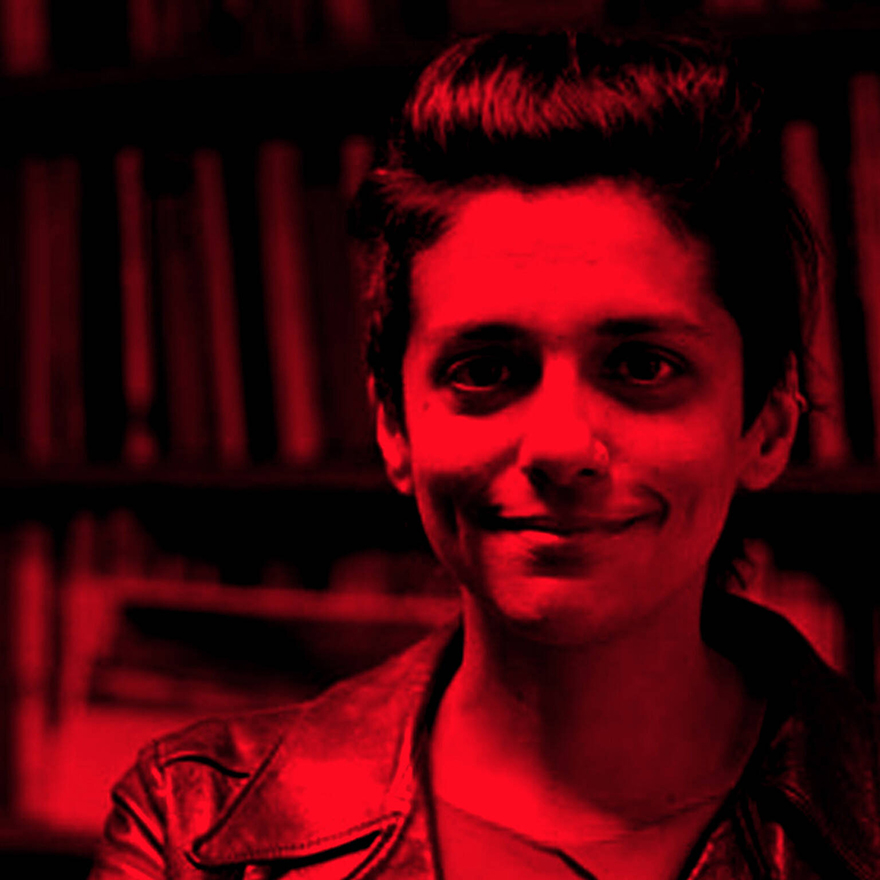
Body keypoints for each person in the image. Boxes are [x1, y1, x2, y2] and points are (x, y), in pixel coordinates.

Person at [89, 27, 880, 880]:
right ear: (393, 426)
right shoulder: (192, 830)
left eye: (643, 367)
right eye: (486, 371)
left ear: (768, 425)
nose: (560, 447)